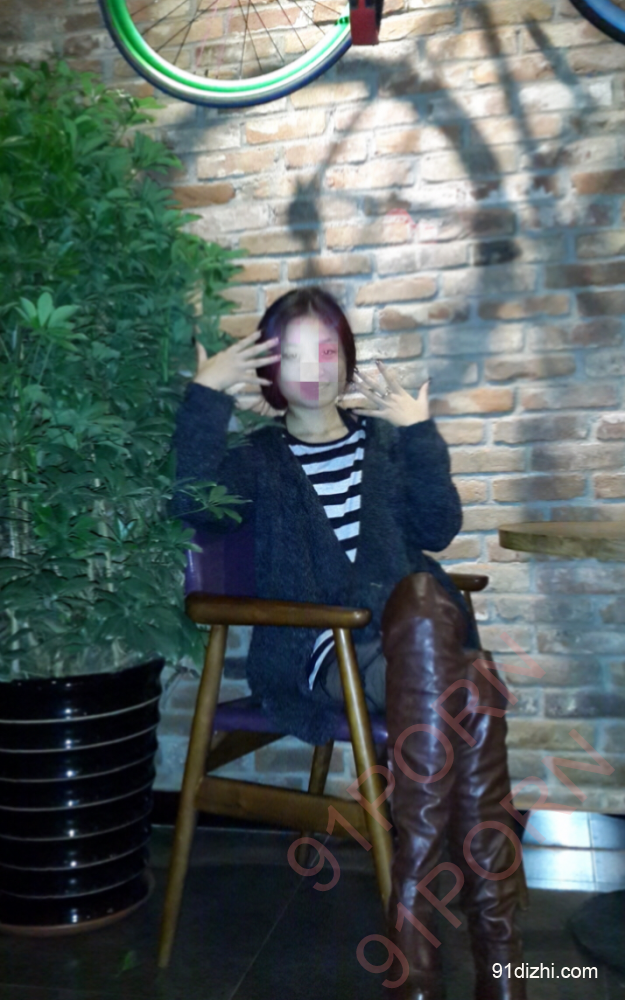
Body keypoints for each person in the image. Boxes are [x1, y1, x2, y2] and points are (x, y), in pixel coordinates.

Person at [171, 287, 528, 1000]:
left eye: (327, 349)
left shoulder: (385, 443)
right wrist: (206, 396)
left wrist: (419, 430)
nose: (314, 369)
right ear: (269, 368)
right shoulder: (256, 460)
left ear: (347, 358)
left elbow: (437, 528)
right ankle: (500, 954)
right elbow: (190, 503)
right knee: (471, 684)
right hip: (319, 653)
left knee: (432, 627)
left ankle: (425, 946)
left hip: (412, 651)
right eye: (294, 354)